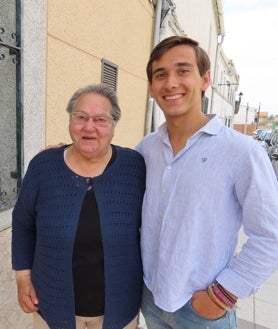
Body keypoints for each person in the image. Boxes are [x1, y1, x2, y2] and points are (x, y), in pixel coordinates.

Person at [136, 36, 278, 329]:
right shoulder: (145, 150)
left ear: (205, 79)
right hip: (150, 298)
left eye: (183, 70)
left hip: (202, 311)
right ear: (151, 87)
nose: (171, 83)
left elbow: (270, 236)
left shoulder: (242, 151)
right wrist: (70, 155)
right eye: (160, 75)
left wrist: (223, 295)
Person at [12, 84, 146, 329]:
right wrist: (22, 276)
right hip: (51, 306)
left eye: (100, 119)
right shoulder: (43, 166)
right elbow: (23, 223)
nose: (89, 127)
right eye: (80, 117)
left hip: (119, 310)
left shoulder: (135, 167)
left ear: (114, 125)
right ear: (70, 121)